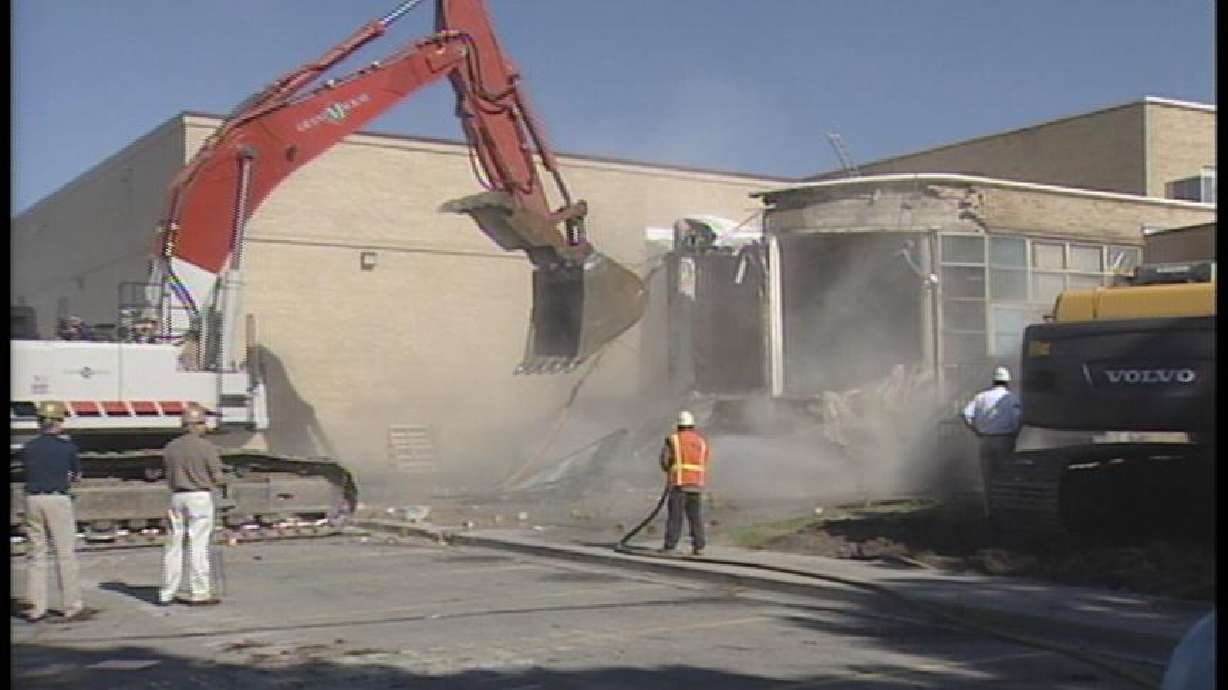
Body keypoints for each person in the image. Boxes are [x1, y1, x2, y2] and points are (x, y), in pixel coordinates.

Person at [18, 401, 93, 622]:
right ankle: (71, 605)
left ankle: (36, 607)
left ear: (39, 422)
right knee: (65, 554)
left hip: (32, 500)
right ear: (59, 422)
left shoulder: (28, 447)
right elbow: (77, 476)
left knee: (36, 555)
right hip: (58, 499)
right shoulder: (67, 447)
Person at [159, 404, 226, 605]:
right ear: (196, 425)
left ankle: (167, 592)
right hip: (199, 497)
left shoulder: (170, 448)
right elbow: (217, 477)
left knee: (173, 546)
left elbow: (168, 476)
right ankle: (200, 592)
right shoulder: (206, 447)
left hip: (177, 496)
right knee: (198, 544)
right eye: (203, 423)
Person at [961, 366, 1022, 516]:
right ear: (1007, 382)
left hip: (985, 441)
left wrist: (976, 432)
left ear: (993, 381)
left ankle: (989, 511)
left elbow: (965, 414)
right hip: (1005, 440)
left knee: (988, 479)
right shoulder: (1012, 398)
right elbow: (1019, 418)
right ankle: (1006, 509)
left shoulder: (981, 397)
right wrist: (1016, 433)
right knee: (1005, 476)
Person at [658, 410, 711, 556]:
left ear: (679, 426)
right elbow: (704, 460)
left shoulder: (673, 439)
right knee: (695, 517)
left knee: (676, 517)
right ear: (692, 425)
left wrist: (669, 469)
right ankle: (699, 546)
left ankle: (670, 546)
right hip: (696, 485)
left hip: (680, 484)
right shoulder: (702, 441)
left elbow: (664, 460)